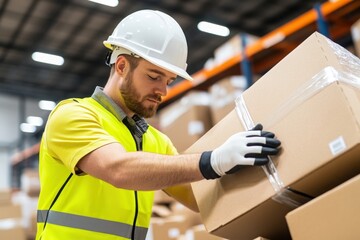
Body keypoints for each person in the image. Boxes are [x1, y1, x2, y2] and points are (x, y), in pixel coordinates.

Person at [35, 9, 281, 240]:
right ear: (121, 66)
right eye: (153, 77)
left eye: (169, 80)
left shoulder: (155, 141)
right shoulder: (73, 115)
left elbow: (198, 199)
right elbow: (117, 168)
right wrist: (213, 160)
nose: (162, 90)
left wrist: (256, 177)